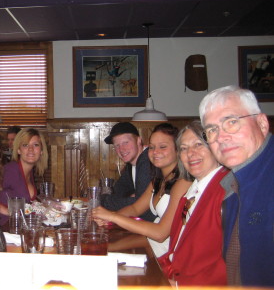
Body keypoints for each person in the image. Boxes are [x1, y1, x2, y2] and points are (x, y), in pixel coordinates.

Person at [199, 85, 273, 286]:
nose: (221, 137)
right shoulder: (233, 185)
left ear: (262, 123)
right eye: (211, 130)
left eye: (231, 122)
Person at [93, 123, 191, 257]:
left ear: (178, 150)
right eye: (152, 147)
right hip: (156, 246)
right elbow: (135, 209)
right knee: (104, 249)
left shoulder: (182, 182)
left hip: (175, 255)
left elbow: (160, 234)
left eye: (163, 147)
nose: (156, 152)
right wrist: (109, 222)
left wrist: (112, 216)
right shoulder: (158, 179)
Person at [158, 121, 229, 286]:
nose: (190, 153)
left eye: (198, 144)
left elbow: (229, 262)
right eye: (183, 148)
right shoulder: (190, 194)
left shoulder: (226, 193)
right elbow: (177, 250)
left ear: (215, 147)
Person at [100, 122, 155, 222]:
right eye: (117, 145)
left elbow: (139, 204)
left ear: (138, 140)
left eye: (126, 142)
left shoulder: (146, 161)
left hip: (155, 227)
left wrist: (103, 200)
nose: (121, 149)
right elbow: (117, 192)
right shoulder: (131, 164)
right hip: (142, 225)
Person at [0, 128, 48, 226]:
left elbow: (25, 201)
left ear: (41, 151)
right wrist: (10, 213)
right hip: (5, 229)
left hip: (20, 228)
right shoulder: (11, 170)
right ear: (18, 150)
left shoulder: (29, 172)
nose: (30, 149)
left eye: (36, 145)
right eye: (25, 145)